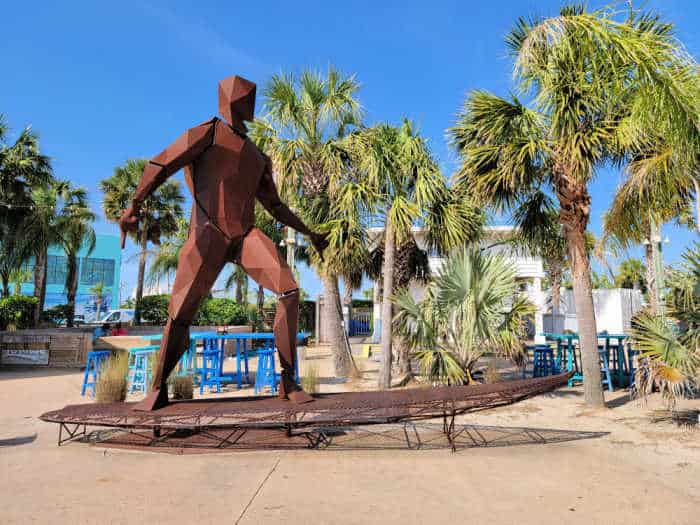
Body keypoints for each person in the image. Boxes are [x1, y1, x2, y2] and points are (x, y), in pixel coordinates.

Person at [119, 75, 328, 411]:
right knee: (180, 313)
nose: (246, 105)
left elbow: (275, 207)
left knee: (289, 290)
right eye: (242, 98)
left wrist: (310, 233)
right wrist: (134, 204)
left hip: (245, 235)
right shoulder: (208, 132)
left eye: (250, 99)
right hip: (208, 233)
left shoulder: (257, 157)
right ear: (226, 100)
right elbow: (162, 163)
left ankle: (289, 380)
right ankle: (157, 388)